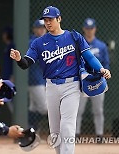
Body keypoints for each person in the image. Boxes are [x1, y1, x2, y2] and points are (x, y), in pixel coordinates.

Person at [10, 6, 111, 154]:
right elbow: (26, 64)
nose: (48, 23)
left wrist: (101, 69)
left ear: (59, 19)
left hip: (72, 85)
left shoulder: (74, 37)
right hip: (51, 86)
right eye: (45, 20)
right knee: (55, 131)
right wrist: (19, 59)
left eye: (50, 19)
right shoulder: (38, 43)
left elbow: (89, 56)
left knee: (67, 126)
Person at [76, 18, 110, 140]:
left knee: (98, 110)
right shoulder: (79, 45)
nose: (89, 31)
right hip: (83, 81)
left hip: (98, 81)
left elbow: (106, 63)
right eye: (87, 28)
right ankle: (76, 134)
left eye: (91, 28)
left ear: (95, 29)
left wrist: (103, 74)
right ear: (84, 29)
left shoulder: (101, 46)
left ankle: (99, 135)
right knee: (78, 110)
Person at [28, 19, 47, 130]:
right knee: (44, 109)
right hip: (35, 79)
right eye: (39, 28)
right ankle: (31, 128)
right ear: (34, 29)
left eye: (43, 28)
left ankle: (31, 129)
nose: (41, 30)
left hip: (42, 79)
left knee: (33, 107)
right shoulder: (32, 41)